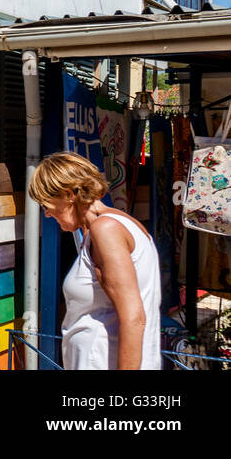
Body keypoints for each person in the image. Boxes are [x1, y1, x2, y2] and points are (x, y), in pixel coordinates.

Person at [29, 151, 161, 369]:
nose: (47, 214)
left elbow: (134, 318)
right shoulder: (120, 224)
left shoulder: (105, 230)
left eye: (47, 205)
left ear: (69, 194)